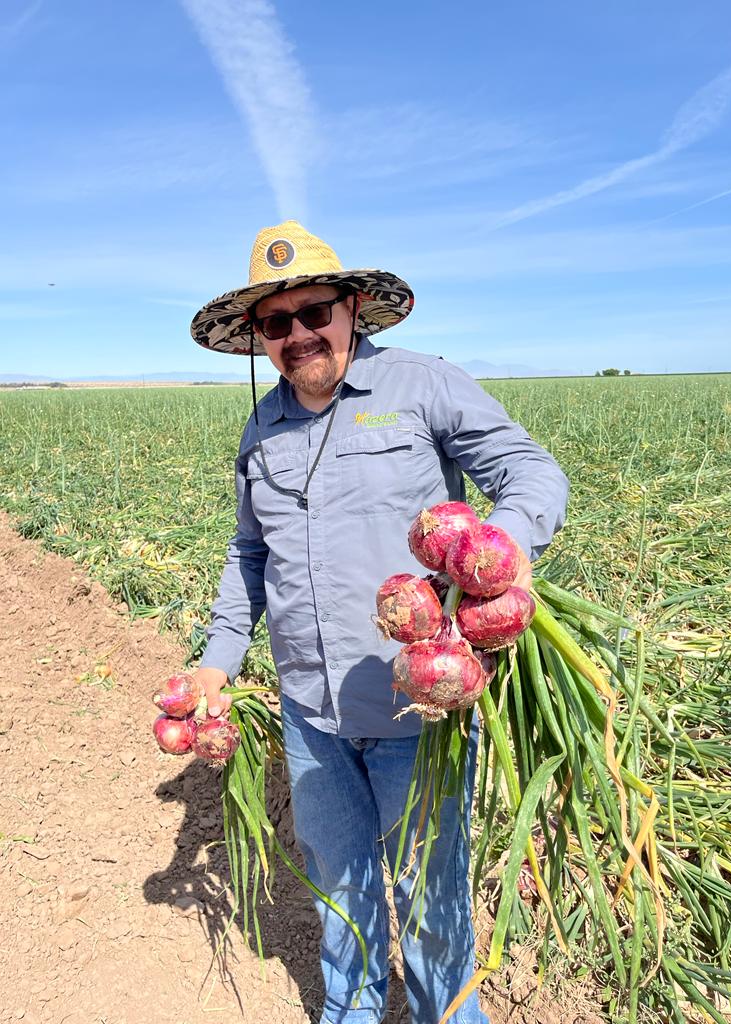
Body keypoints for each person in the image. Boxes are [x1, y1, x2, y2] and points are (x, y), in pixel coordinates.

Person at [189, 220, 569, 1024]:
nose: (298, 335)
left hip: (416, 708)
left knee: (432, 905)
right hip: (309, 712)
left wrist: (502, 552)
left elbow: (529, 470)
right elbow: (249, 555)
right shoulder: (263, 425)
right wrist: (216, 660)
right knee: (340, 891)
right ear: (258, 337)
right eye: (275, 323)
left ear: (353, 307)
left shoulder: (423, 386)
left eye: (314, 311)